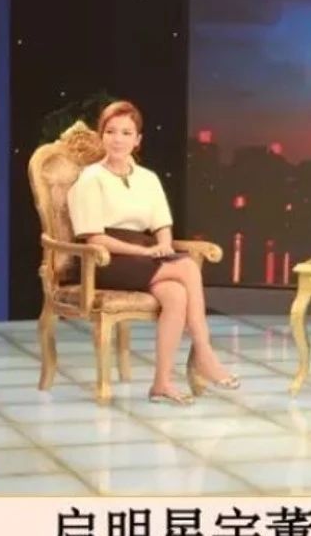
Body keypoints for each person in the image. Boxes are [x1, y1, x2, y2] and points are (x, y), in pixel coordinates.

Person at [67, 100, 239, 404]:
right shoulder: (90, 178)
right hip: (105, 259)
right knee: (187, 267)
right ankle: (204, 353)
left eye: (126, 133)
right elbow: (94, 238)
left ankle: (161, 383)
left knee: (176, 294)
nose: (118, 139)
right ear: (101, 135)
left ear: (138, 140)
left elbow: (162, 225)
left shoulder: (148, 178)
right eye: (111, 131)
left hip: (143, 254)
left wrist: (163, 245)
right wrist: (144, 252)